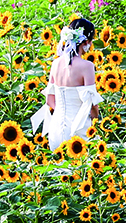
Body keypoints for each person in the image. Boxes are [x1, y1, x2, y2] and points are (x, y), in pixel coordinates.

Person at [30, 17, 105, 153]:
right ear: (86, 42)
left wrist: (63, 112)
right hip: (79, 132)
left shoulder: (56, 64)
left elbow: (50, 100)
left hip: (56, 131)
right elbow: (91, 104)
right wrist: (96, 121)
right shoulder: (87, 66)